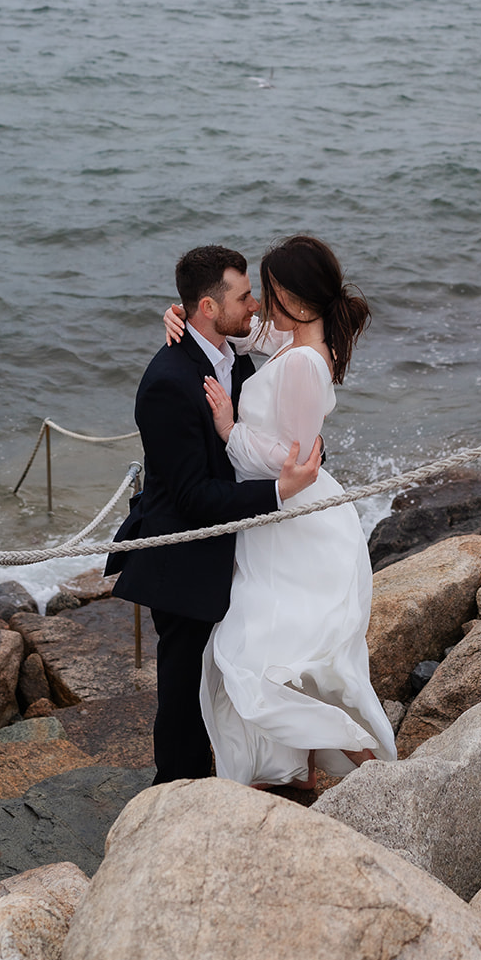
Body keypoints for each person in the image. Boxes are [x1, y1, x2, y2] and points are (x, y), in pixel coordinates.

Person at [165, 234, 397, 789]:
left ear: (294, 295)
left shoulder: (304, 365)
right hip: (274, 524)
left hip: (291, 523)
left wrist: (229, 430)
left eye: (268, 293)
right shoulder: (291, 340)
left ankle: (355, 761)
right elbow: (229, 332)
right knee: (272, 651)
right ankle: (294, 770)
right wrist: (176, 315)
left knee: (259, 652)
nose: (261, 307)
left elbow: (292, 463)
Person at [106, 244, 322, 784]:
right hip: (183, 555)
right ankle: (173, 792)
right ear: (207, 307)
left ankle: (237, 773)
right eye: (244, 296)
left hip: (238, 545)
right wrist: (278, 491)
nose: (255, 306)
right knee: (182, 691)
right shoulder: (167, 383)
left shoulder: (233, 354)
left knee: (228, 678)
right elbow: (191, 498)